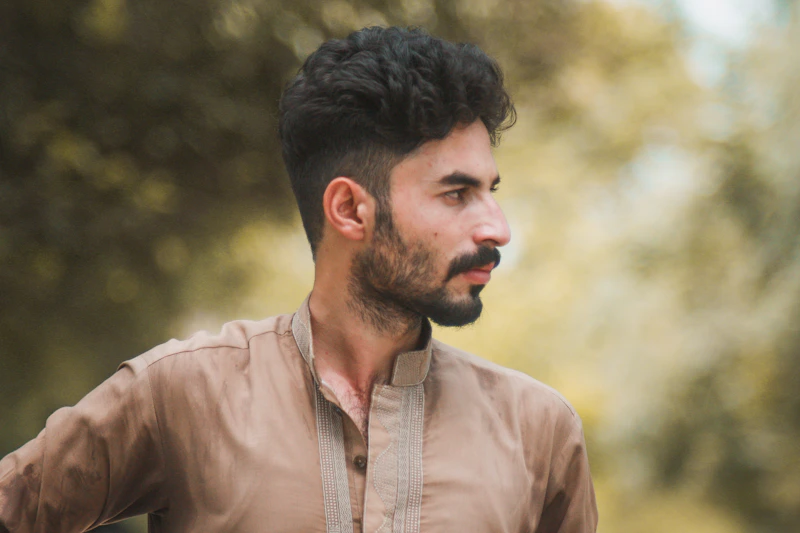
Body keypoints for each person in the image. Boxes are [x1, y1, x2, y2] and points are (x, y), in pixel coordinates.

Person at [0, 26, 597, 533]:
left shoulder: (539, 430)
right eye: (456, 193)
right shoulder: (182, 394)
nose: (498, 229)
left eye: (491, 192)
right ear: (349, 209)